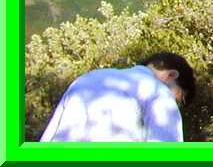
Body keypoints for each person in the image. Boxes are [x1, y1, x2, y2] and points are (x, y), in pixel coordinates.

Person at [39, 52, 196, 142]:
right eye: (178, 98)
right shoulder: (159, 94)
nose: (175, 105)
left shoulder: (85, 79)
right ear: (170, 75)